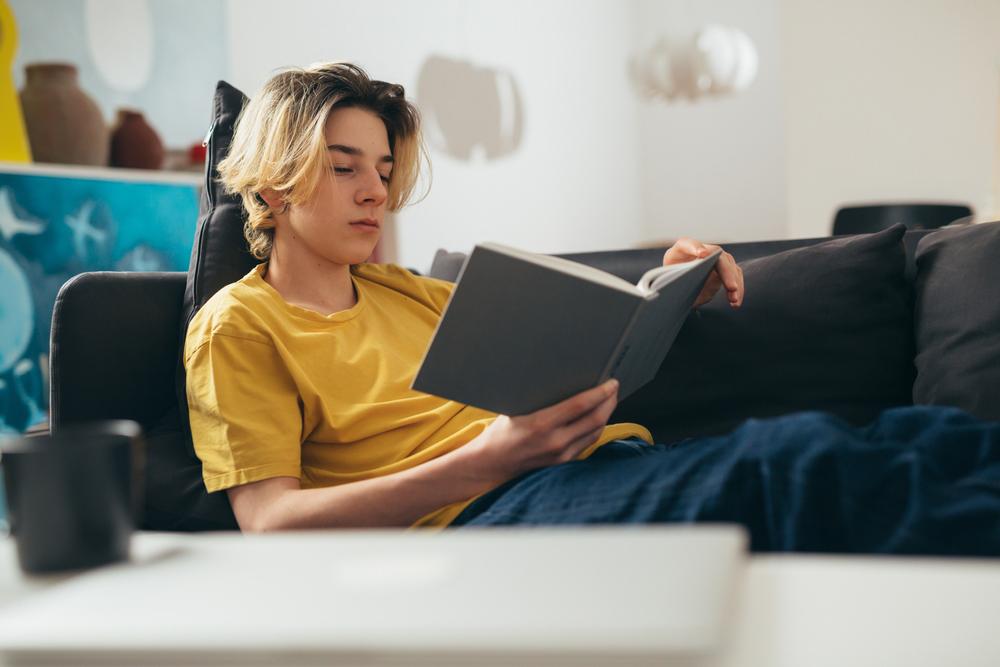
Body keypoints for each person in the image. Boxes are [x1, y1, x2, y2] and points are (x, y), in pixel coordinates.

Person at [185, 62, 1000, 554]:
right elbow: (273, 522)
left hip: (595, 465)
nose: (375, 191)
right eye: (342, 167)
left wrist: (666, 288)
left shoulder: (402, 291)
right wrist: (491, 458)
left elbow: (552, 334)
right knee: (791, 465)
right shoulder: (237, 325)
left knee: (914, 435)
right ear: (272, 183)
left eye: (383, 167)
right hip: (486, 517)